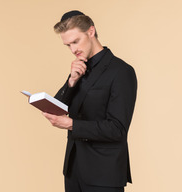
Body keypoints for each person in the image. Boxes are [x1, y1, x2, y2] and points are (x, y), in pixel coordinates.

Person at [43, 10, 137, 192]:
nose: (73, 50)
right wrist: (71, 82)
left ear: (91, 31)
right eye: (68, 45)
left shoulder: (121, 72)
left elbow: (117, 129)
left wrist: (72, 124)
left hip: (104, 175)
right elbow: (56, 109)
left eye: (75, 41)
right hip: (73, 171)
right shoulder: (78, 69)